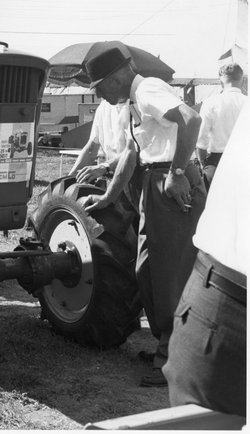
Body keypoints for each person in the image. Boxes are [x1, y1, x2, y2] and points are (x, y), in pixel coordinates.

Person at [82, 47, 207, 388]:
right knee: (147, 271)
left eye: (99, 88)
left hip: (169, 184)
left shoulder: (147, 89)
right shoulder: (131, 103)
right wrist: (108, 196)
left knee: (170, 276)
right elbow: (131, 154)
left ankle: (177, 361)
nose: (99, 95)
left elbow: (191, 119)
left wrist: (178, 172)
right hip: (152, 184)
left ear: (117, 78)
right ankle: (165, 346)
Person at [164, 102, 248, 417]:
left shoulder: (215, 101)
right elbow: (191, 121)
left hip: (216, 163)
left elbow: (199, 138)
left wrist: (183, 169)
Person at [195, 62, 246, 189]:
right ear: (243, 80)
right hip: (244, 162)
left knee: (216, 206)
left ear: (220, 82)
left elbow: (201, 141)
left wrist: (203, 164)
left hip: (216, 163)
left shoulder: (211, 103)